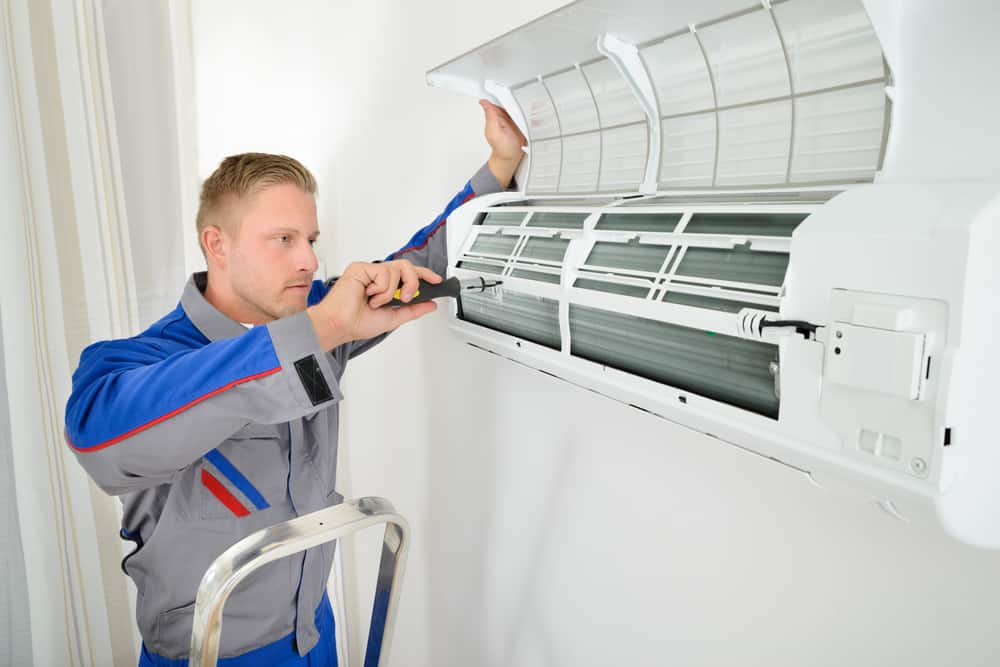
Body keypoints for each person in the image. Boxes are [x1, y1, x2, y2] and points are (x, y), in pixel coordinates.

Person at [63, 100, 526, 666]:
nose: (308, 259)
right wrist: (322, 326)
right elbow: (99, 441)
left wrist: (499, 166)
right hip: (211, 654)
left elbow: (418, 259)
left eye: (311, 238)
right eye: (283, 239)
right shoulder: (138, 362)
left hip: (315, 635)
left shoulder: (313, 317)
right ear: (217, 244)